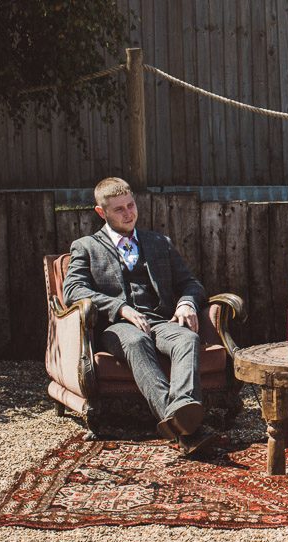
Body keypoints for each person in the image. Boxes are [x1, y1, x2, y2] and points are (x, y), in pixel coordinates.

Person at [63, 177, 216, 456]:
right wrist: (118, 307)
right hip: (117, 327)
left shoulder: (159, 243)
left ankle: (181, 414)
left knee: (187, 338)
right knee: (135, 342)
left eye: (131, 205)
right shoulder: (86, 246)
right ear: (102, 212)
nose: (128, 213)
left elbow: (190, 283)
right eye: (119, 209)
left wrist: (186, 303)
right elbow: (73, 290)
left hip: (160, 321)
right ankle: (186, 427)